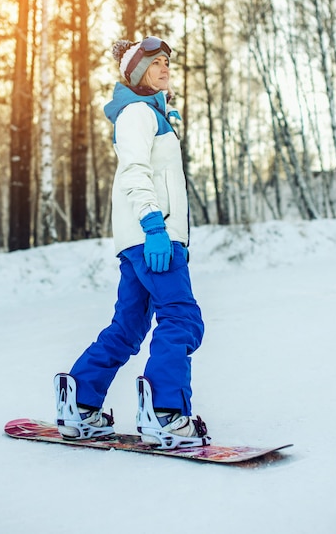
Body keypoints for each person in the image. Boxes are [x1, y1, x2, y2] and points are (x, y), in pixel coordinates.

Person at [55, 36, 210, 449]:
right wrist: (155, 226)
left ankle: (82, 405)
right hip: (153, 236)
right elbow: (135, 172)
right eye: (155, 63)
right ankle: (166, 414)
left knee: (128, 327)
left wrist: (167, 108)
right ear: (137, 73)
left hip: (141, 239)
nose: (164, 68)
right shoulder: (137, 113)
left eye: (166, 63)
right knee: (181, 318)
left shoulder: (145, 111)